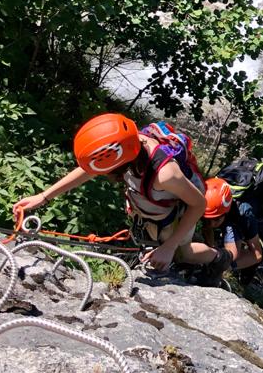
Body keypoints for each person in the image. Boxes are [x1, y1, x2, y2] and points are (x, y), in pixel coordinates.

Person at [12, 114, 229, 281]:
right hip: (153, 200)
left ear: (120, 164)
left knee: (184, 253)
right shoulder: (127, 146)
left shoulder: (165, 174)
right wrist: (43, 196)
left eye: (107, 171)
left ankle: (219, 259)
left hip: (179, 205)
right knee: (153, 240)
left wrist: (170, 247)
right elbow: (88, 170)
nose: (103, 175)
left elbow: (198, 204)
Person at [200, 174, 263, 290]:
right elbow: (208, 230)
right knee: (234, 252)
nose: (211, 224)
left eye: (216, 219)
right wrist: (213, 255)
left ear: (225, 212)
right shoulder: (211, 205)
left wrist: (224, 266)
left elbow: (257, 255)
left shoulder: (243, 213)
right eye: (206, 219)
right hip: (235, 216)